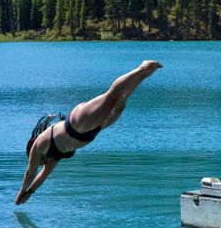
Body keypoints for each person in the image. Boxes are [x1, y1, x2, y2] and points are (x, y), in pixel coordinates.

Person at [16, 60, 161, 203]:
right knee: (120, 103)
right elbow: (43, 175)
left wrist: (21, 191)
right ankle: (145, 75)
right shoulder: (52, 158)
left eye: (37, 162)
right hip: (92, 131)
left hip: (77, 122)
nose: (40, 164)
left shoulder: (38, 146)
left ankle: (141, 68)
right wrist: (29, 193)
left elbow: (30, 172)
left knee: (111, 97)